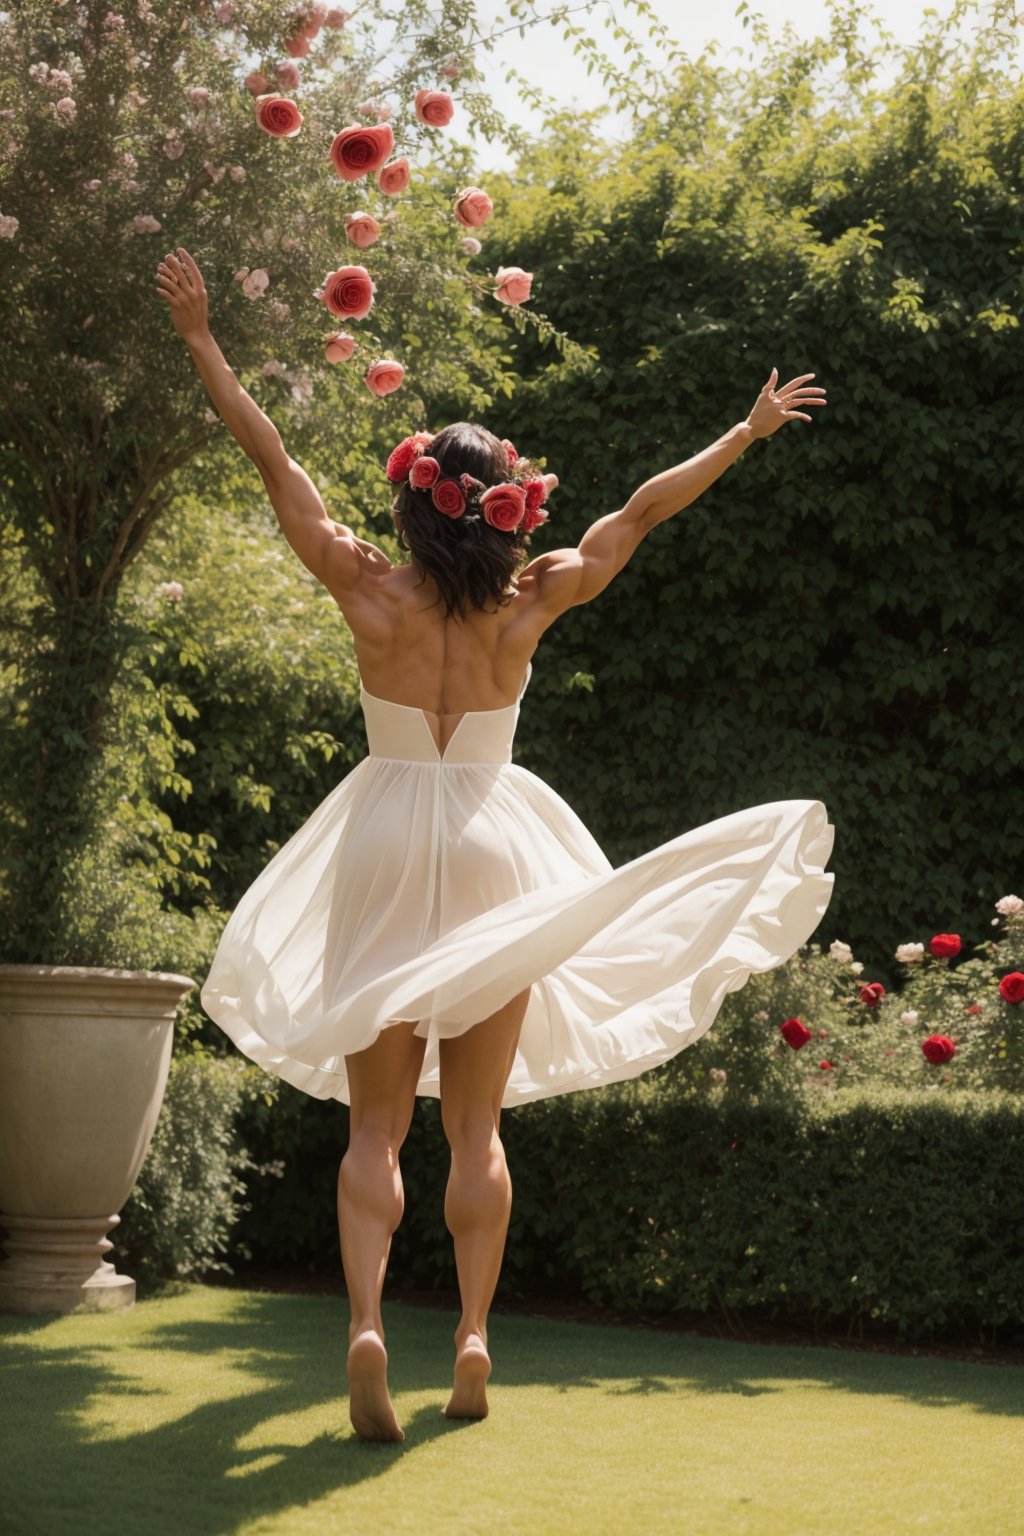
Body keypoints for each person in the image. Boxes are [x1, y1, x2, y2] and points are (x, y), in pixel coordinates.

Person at [156, 247, 833, 1444]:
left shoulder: (364, 585)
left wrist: (206, 338)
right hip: (491, 847)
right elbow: (639, 511)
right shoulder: (533, 596)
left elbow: (274, 459)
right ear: (508, 505)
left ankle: (365, 1322)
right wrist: (745, 434)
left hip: (377, 835)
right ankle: (470, 1336)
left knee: (375, 1126)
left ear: (416, 499)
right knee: (478, 1129)